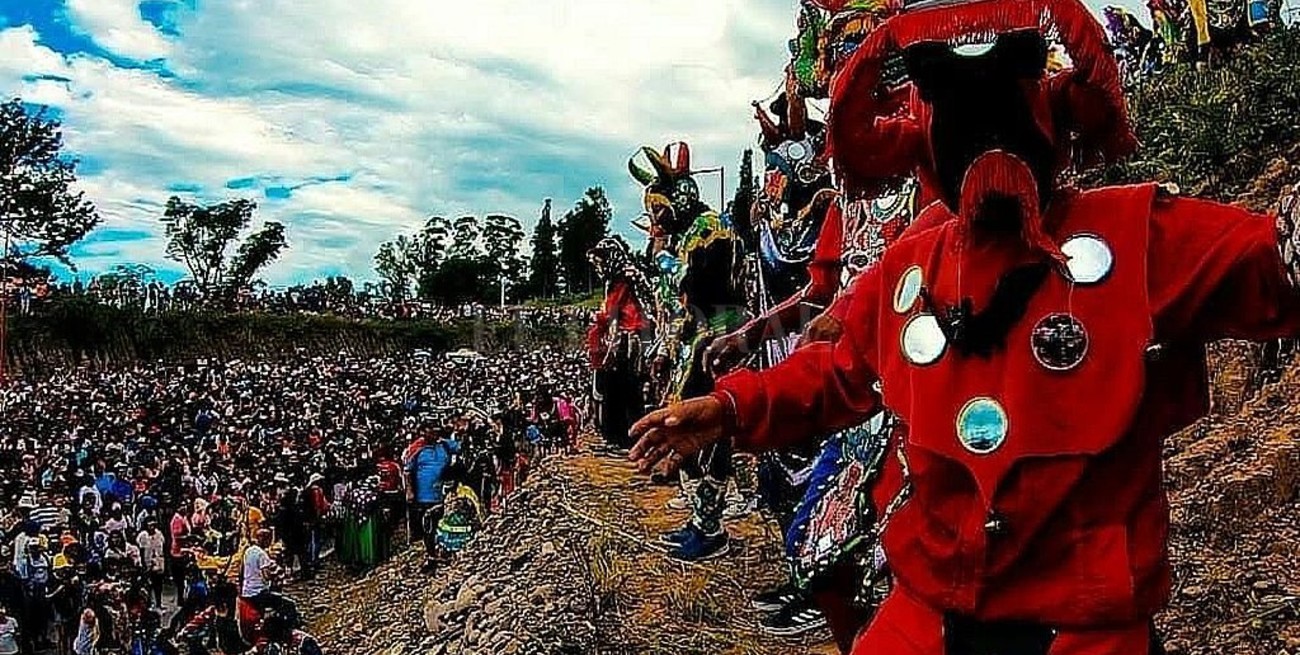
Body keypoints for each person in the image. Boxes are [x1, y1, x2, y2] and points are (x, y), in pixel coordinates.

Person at [629, 0, 1300, 652]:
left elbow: (1271, 265)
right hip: (929, 617)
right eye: (953, 96)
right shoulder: (911, 263)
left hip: (1088, 631)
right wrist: (733, 404)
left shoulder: (1140, 236)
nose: (982, 118)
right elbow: (839, 370)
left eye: (1006, 84)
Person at [404, 425, 460, 572]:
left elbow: (462, 447)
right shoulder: (417, 449)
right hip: (424, 496)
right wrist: (410, 491)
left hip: (445, 495)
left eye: (436, 430)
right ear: (423, 432)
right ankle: (431, 557)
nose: (434, 433)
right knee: (428, 527)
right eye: (430, 430)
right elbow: (408, 472)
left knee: (444, 525)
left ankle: (446, 553)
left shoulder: (445, 445)